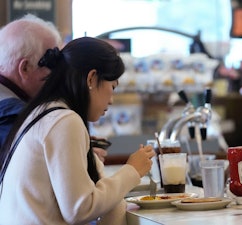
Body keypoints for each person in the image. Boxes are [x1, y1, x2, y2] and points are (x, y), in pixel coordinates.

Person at [0, 37, 155, 224]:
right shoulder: (64, 120)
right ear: (91, 78)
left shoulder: (42, 113)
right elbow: (79, 209)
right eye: (112, 87)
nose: (112, 100)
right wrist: (132, 170)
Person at [0, 14, 108, 162]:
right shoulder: (12, 115)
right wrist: (80, 156)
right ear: (25, 68)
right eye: (53, 64)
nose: (59, 74)